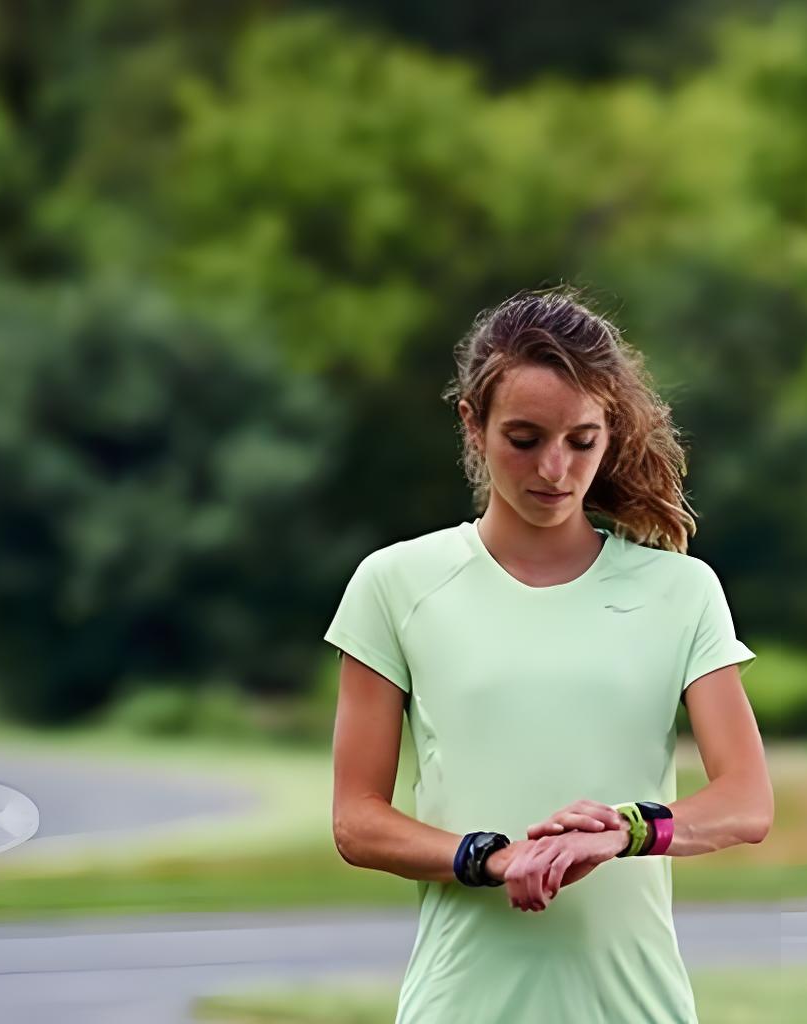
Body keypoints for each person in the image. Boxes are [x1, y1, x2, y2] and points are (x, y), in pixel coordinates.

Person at [326, 288, 772, 1023]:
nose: (555, 470)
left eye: (582, 441)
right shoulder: (394, 583)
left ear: (611, 431)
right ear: (473, 424)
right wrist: (492, 857)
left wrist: (624, 831)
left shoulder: (683, 590)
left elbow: (746, 802)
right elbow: (357, 820)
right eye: (525, 439)